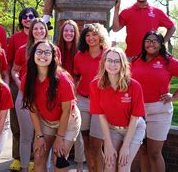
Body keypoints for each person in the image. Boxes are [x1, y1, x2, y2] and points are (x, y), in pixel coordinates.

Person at [132, 31, 178, 172]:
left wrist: (175, 96)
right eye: (148, 40)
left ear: (161, 44)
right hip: (139, 111)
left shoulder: (168, 60)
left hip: (160, 111)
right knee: (142, 150)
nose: (151, 43)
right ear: (143, 43)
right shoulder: (136, 60)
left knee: (154, 152)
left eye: (155, 41)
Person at [22, 40, 81, 172]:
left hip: (68, 121)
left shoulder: (63, 80)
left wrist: (60, 138)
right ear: (33, 55)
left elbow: (66, 111)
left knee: (58, 159)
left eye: (47, 52)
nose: (43, 55)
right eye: (39, 51)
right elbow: (32, 109)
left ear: (53, 57)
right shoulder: (27, 79)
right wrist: (39, 136)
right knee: (38, 156)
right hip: (47, 121)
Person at [11, 18, 61, 172]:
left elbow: (58, 73)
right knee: (26, 136)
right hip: (27, 96)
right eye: (36, 29)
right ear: (31, 31)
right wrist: (21, 86)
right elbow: (14, 70)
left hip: (47, 97)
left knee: (45, 136)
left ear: (46, 31)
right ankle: (25, 167)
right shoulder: (22, 50)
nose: (39, 31)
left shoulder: (54, 50)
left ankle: (45, 167)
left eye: (42, 28)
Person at [90, 48, 146, 172]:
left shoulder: (134, 86)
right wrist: (108, 145)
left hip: (134, 128)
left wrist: (125, 146)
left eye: (117, 61)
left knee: (123, 165)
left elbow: (134, 118)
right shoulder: (96, 85)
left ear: (123, 64)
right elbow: (101, 116)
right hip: (112, 128)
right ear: (103, 62)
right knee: (109, 164)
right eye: (109, 60)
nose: (113, 64)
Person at [73, 23, 109, 172]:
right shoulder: (80, 55)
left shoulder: (108, 54)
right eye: (87, 35)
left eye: (94, 34)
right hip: (83, 101)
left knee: (96, 143)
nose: (91, 38)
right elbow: (76, 77)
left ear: (100, 37)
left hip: (101, 103)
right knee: (86, 141)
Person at [7, 7, 39, 171]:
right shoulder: (15, 39)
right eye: (25, 16)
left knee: (35, 126)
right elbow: (11, 64)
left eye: (31, 16)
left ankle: (32, 157)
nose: (28, 18)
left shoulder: (41, 40)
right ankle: (18, 157)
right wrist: (12, 85)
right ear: (20, 20)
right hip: (17, 87)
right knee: (17, 124)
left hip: (37, 89)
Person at [112, 0, 176, 59]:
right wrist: (116, 9)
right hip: (131, 56)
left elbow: (172, 27)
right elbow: (115, 29)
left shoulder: (157, 12)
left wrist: (161, 43)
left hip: (151, 57)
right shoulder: (127, 12)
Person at [57, 20, 85, 171]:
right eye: (66, 31)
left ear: (76, 34)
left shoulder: (79, 52)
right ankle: (59, 160)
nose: (69, 33)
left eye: (72, 31)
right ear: (62, 33)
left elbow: (80, 76)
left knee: (77, 132)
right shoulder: (57, 50)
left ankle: (80, 163)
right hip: (60, 96)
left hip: (76, 95)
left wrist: (75, 93)